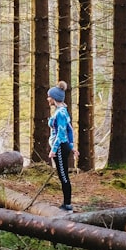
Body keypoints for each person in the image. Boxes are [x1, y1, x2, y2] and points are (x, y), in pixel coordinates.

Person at [47, 80, 79, 212]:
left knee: (63, 176)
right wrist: (72, 147)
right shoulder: (63, 111)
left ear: (54, 98)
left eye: (49, 96)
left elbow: (61, 133)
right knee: (63, 174)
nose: (47, 98)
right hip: (63, 146)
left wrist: (53, 151)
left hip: (59, 147)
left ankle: (67, 205)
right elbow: (70, 130)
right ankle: (67, 204)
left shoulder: (60, 113)